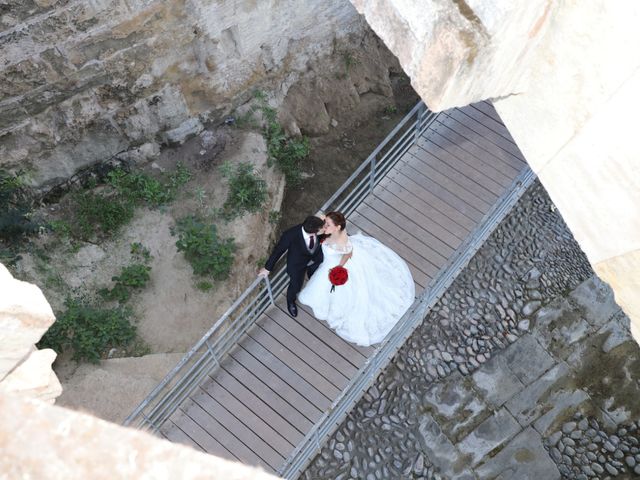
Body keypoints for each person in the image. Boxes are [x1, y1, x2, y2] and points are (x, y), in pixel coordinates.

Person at [298, 211, 415, 346]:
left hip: (335, 264)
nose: (325, 226)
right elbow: (320, 214)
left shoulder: (342, 242)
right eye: (326, 223)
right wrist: (323, 220)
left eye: (328, 224)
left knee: (348, 293)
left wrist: (338, 268)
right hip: (328, 261)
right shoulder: (328, 229)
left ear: (337, 227)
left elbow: (348, 254)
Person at [259, 215, 325, 317]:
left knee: (316, 271)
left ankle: (311, 274)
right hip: (296, 264)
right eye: (322, 228)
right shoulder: (290, 235)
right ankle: (290, 301)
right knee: (295, 286)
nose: (324, 229)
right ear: (314, 231)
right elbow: (278, 251)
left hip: (316, 256)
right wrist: (268, 268)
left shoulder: (315, 225)